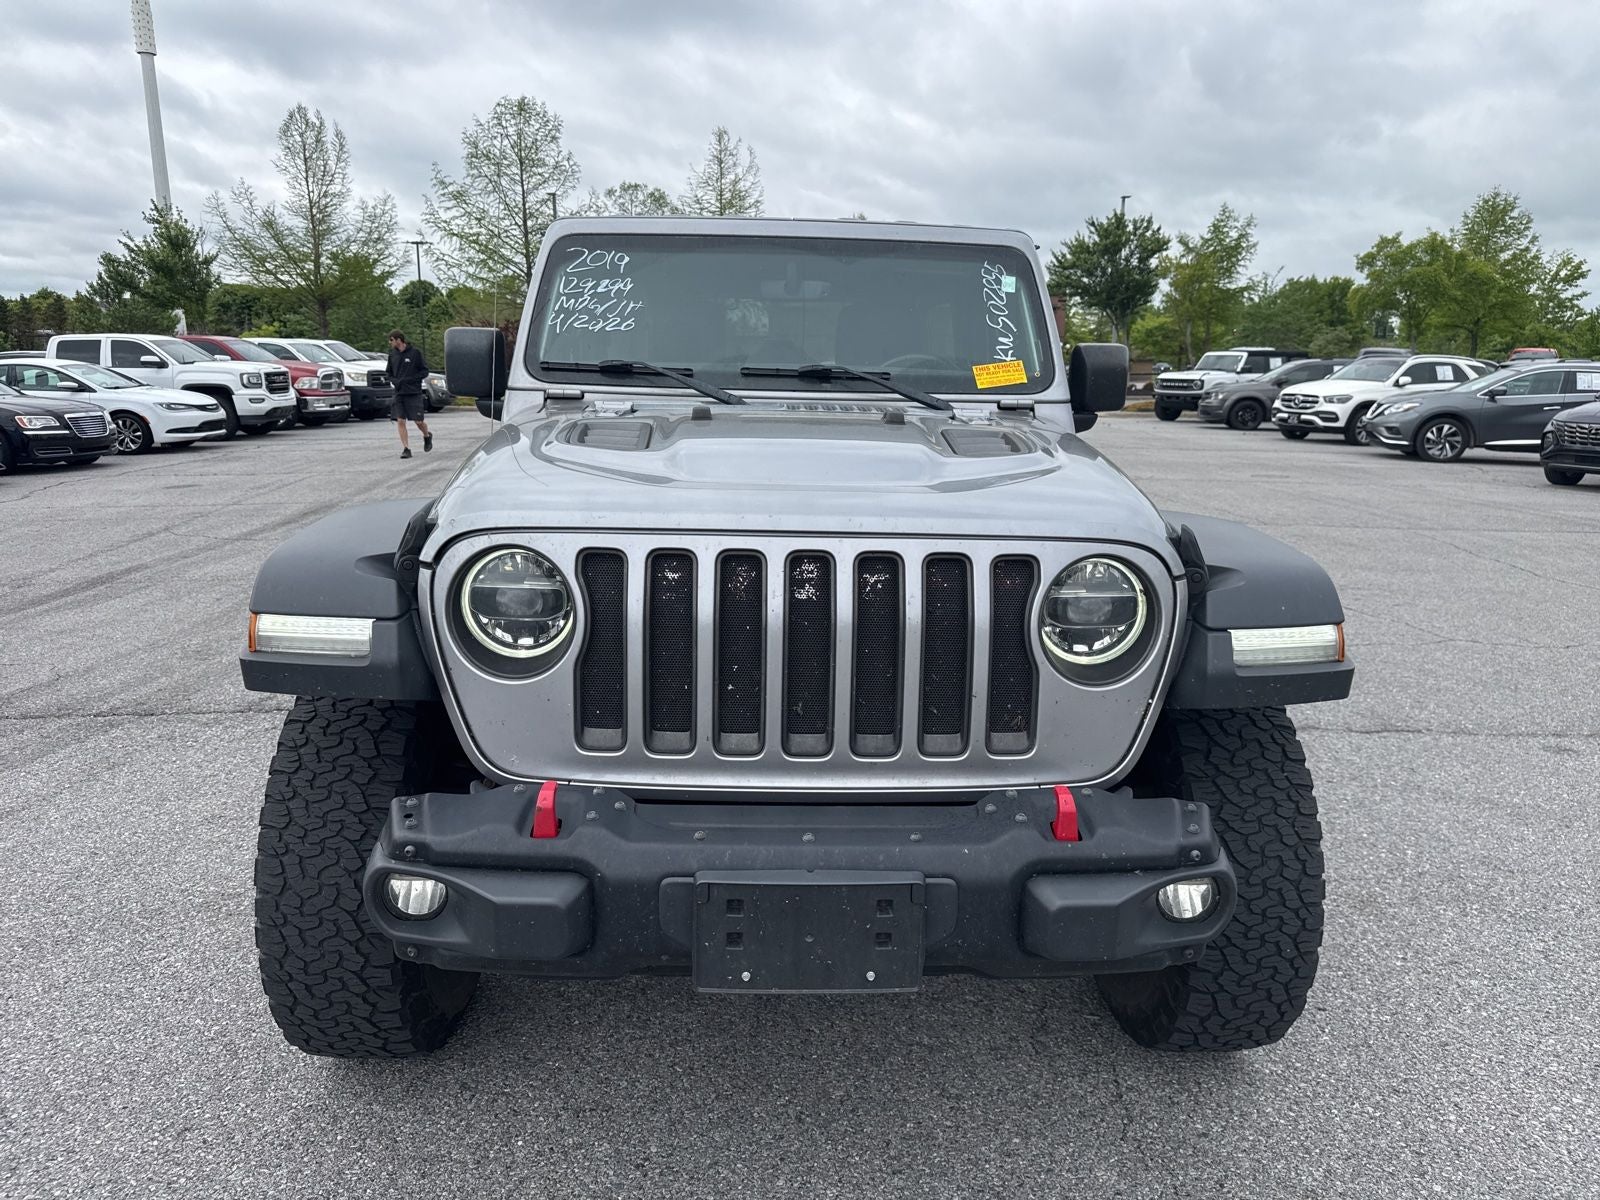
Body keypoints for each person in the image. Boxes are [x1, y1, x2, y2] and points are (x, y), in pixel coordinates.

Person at [386, 330, 432, 459]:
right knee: (400, 420)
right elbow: (388, 373)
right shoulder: (392, 355)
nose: (390, 343)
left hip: (413, 392)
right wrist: (395, 381)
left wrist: (411, 379)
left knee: (418, 421)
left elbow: (424, 371)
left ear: (398, 340)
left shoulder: (415, 353)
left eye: (391, 340)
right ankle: (406, 448)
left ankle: (427, 435)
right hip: (399, 393)